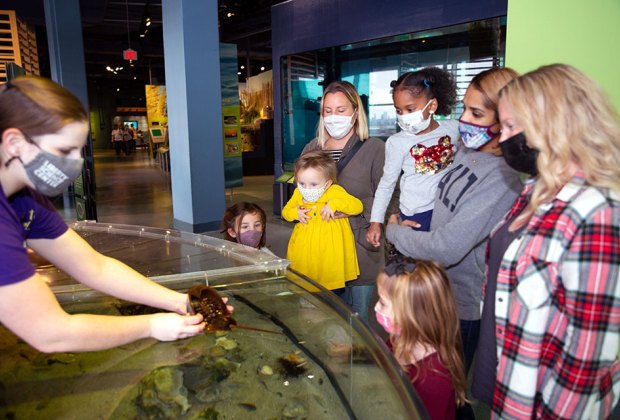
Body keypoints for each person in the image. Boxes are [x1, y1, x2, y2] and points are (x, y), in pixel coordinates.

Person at [0, 76, 207, 353]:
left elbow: (95, 266)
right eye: (63, 150)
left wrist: (179, 302)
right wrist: (151, 326)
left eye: (78, 150)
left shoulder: (25, 200)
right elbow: (50, 332)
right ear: (14, 142)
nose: (74, 163)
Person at [488, 64, 620, 419]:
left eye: (513, 126)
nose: (503, 140)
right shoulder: (534, 191)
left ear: (555, 122)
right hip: (514, 387)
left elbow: (588, 354)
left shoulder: (598, 212)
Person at [385, 68, 523, 374]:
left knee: (450, 392)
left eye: (476, 113)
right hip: (436, 292)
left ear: (506, 119)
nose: (465, 121)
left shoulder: (502, 178)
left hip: (460, 306)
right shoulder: (465, 150)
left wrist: (394, 232)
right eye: (464, 109)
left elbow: (447, 247)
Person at [301, 80, 394, 321]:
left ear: (355, 112)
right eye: (327, 111)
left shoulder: (374, 148)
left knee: (357, 320)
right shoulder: (313, 148)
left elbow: (388, 194)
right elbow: (300, 189)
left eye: (341, 110)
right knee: (327, 317)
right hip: (323, 248)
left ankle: (357, 359)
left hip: (359, 245)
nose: (333, 117)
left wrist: (355, 209)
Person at [367, 67, 459, 246]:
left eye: (410, 109)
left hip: (447, 210)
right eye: (399, 111)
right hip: (415, 213)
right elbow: (386, 185)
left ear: (431, 106)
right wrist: (375, 222)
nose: (404, 116)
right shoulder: (396, 142)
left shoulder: (453, 129)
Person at [375, 255, 467, 420]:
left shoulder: (434, 380)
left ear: (411, 315)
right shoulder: (399, 338)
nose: (375, 306)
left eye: (382, 302)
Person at [282, 150, 363, 291]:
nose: (306, 188)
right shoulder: (297, 193)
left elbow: (357, 206)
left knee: (330, 287)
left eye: (313, 184)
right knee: (306, 283)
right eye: (301, 183)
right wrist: (295, 213)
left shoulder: (334, 191)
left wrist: (334, 204)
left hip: (330, 250)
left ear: (327, 183)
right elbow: (286, 212)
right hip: (305, 248)